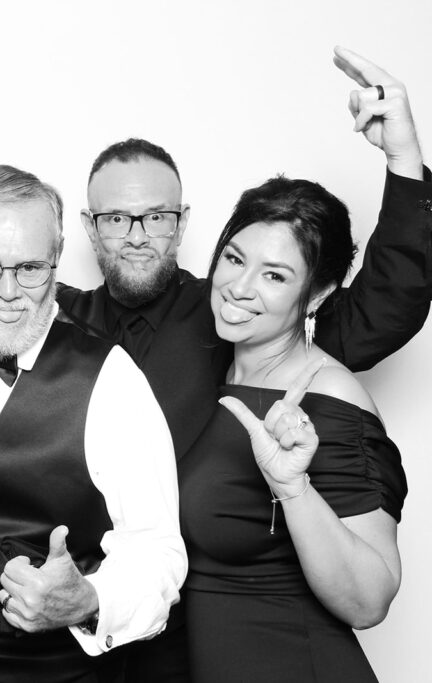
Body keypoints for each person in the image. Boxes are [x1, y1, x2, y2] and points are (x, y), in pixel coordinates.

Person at [0, 47, 431, 681]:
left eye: (156, 217)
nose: (137, 234)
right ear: (88, 229)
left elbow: (377, 312)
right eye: (116, 218)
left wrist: (404, 160)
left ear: (182, 224)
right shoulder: (48, 310)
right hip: (81, 650)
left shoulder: (233, 315)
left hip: (187, 633)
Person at [0, 165, 186, 682]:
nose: (8, 291)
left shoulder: (110, 377)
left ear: (57, 257)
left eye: (30, 268)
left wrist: (88, 599)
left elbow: (158, 552)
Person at [179, 175, 405, 682]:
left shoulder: (331, 396)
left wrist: (292, 486)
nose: (239, 287)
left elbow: (369, 601)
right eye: (234, 258)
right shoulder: (211, 370)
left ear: (318, 293)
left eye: (275, 276)